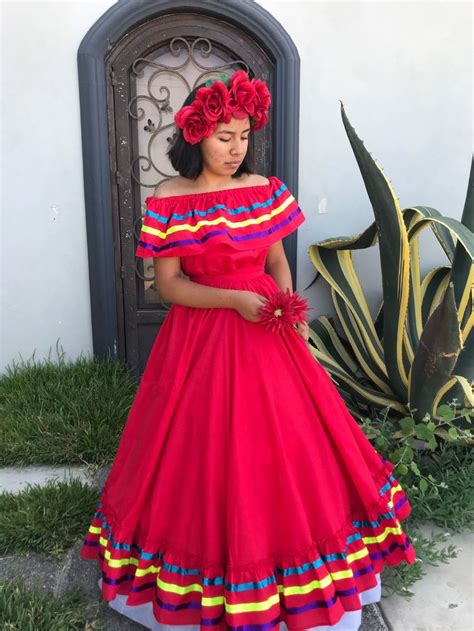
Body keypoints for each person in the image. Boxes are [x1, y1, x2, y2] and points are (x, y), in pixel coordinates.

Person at [80, 70, 416, 631]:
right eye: (222, 137)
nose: (235, 149)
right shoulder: (169, 197)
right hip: (203, 334)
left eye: (242, 135)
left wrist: (286, 306)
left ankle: (298, 573)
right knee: (201, 447)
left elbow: (279, 259)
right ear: (195, 137)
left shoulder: (264, 188)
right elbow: (169, 285)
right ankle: (215, 576)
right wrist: (233, 300)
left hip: (269, 328)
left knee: (291, 445)